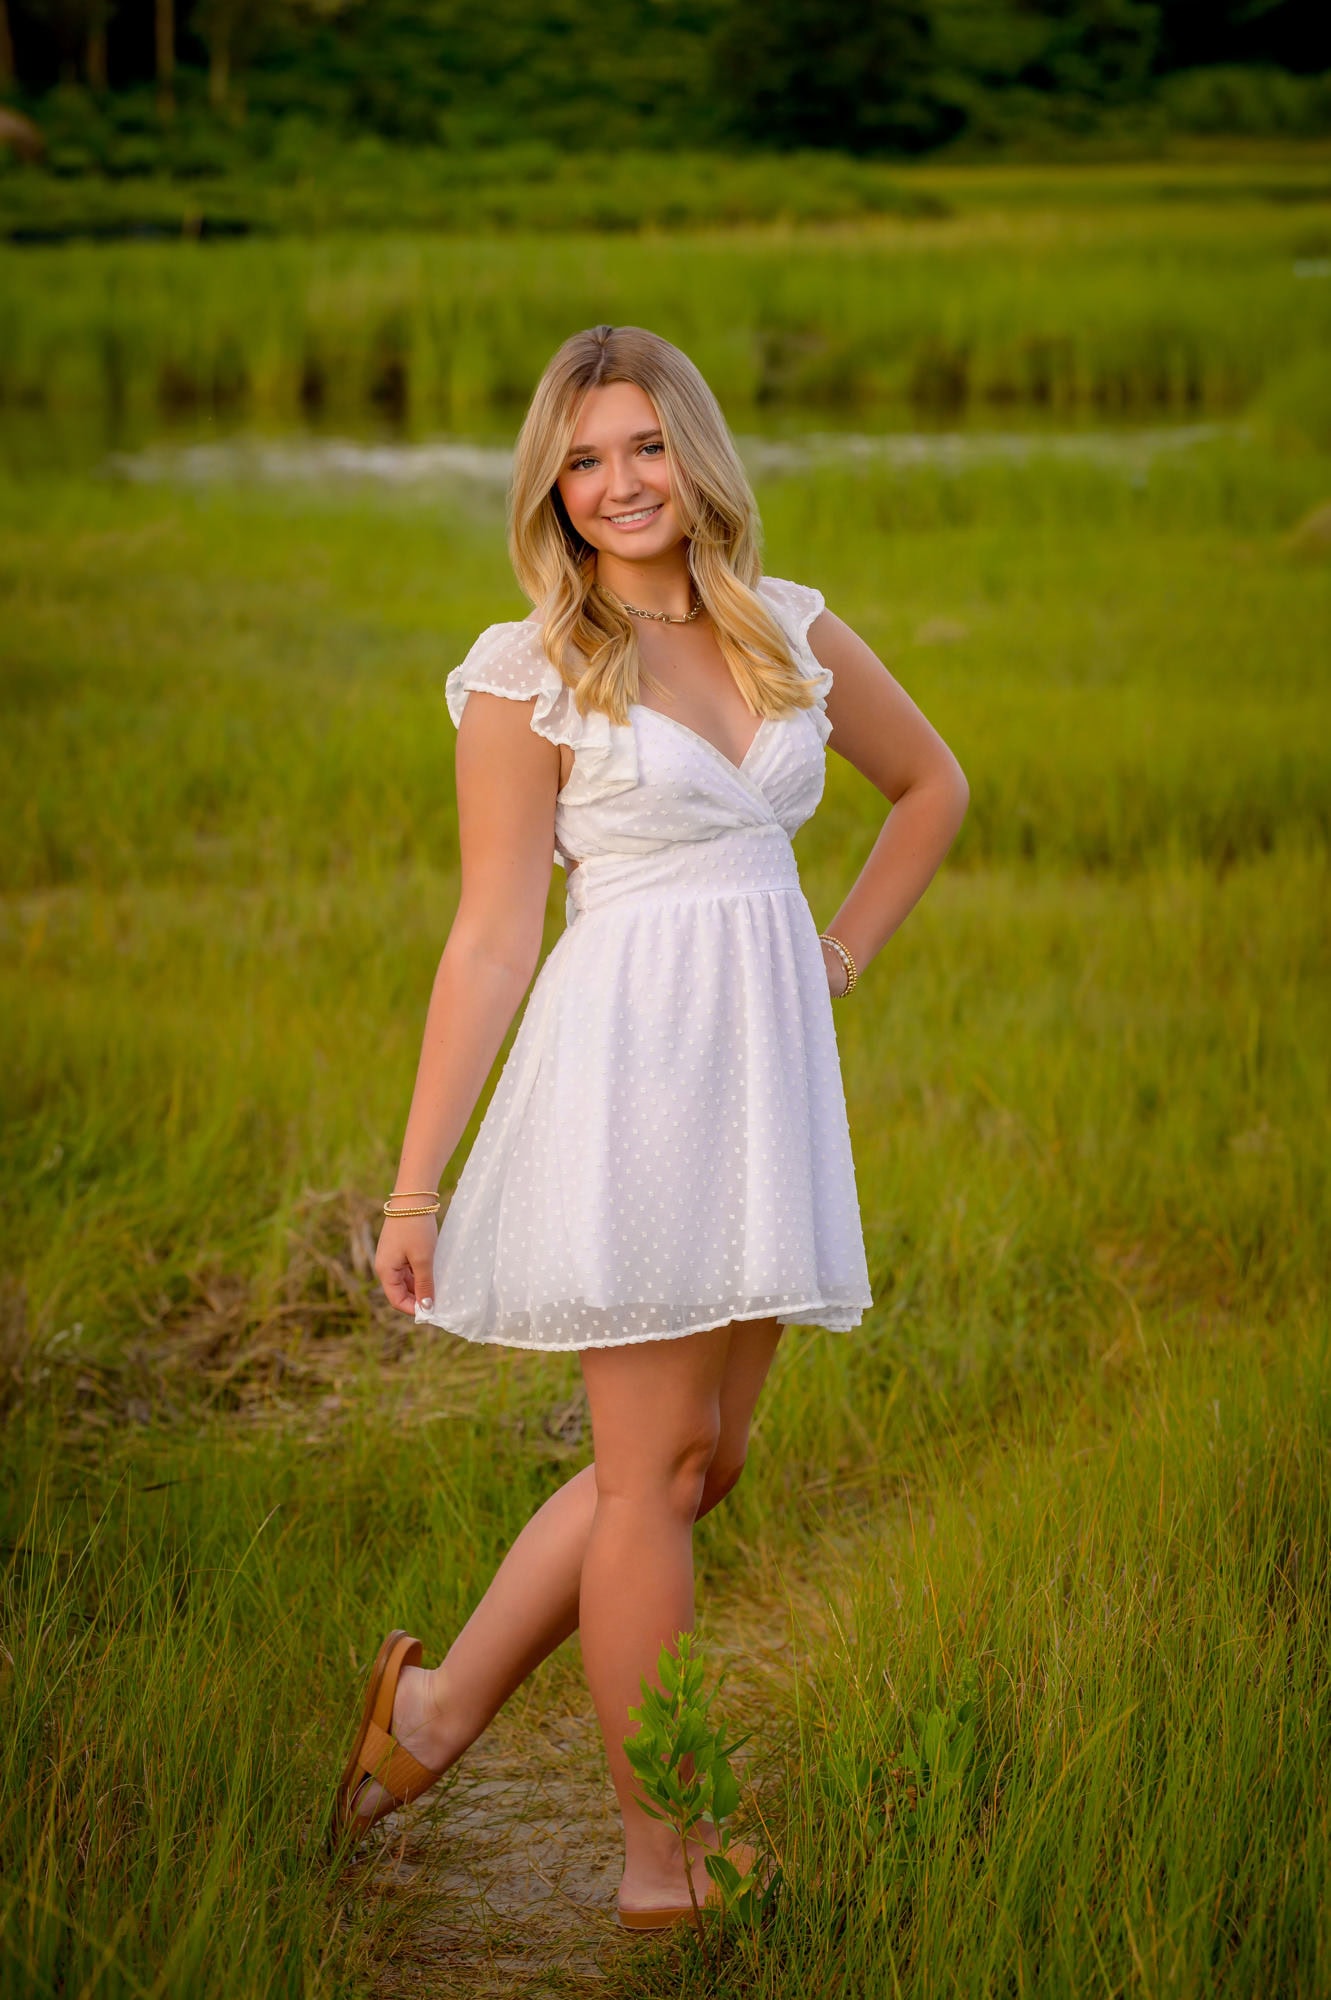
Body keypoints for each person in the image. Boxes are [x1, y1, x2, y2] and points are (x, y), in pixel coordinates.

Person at [333, 324, 969, 1927]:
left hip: (761, 1077)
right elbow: (490, 938)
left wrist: (833, 960)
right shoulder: (525, 667)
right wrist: (416, 1188)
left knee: (698, 1465)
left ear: (695, 453)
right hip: (629, 1075)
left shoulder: (792, 628)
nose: (619, 484)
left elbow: (935, 786)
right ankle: (662, 1862)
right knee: (648, 1479)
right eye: (585, 457)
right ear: (551, 482)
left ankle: (434, 1714)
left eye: (644, 447)